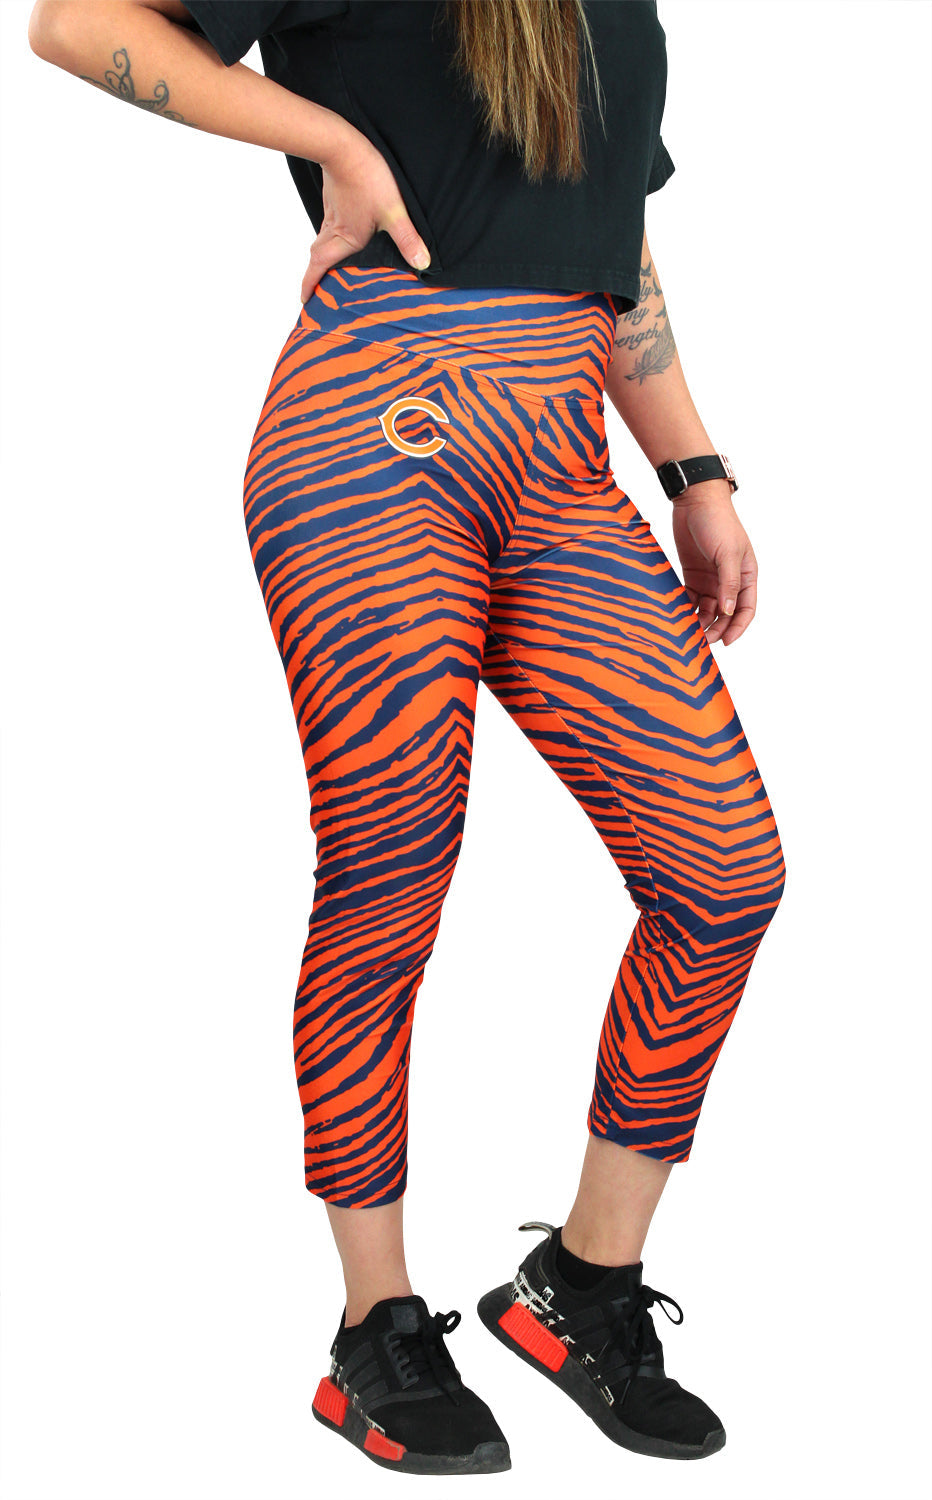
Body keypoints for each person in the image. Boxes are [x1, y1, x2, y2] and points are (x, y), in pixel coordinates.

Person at [28, 0, 787, 1477]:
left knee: (724, 874)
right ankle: (374, 1327)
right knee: (392, 880)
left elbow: (610, 231)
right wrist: (330, 139)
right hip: (371, 442)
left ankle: (581, 1289)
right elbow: (75, 23)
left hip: (562, 456)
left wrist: (693, 465)